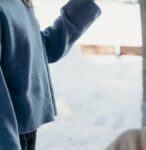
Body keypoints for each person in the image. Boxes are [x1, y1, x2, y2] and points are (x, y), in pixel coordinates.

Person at [0, 0, 101, 149]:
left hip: (23, 130)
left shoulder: (20, 3)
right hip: (8, 134)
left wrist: (83, 6)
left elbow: (42, 49)